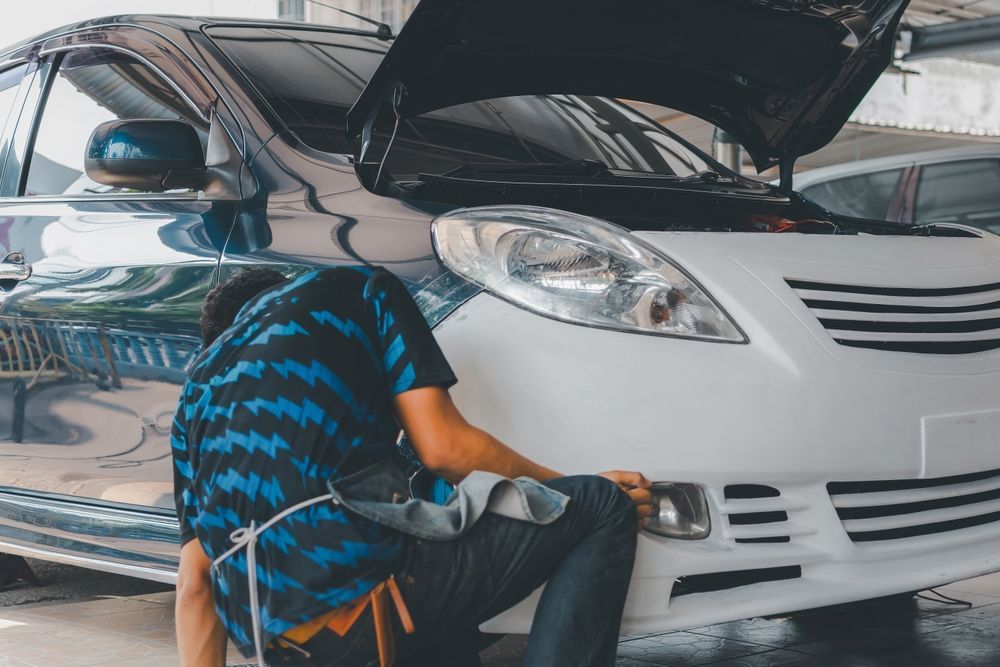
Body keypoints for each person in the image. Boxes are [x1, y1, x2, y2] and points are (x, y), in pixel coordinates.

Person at [173, 265, 652, 667]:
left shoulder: (194, 394)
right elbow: (447, 451)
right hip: (365, 596)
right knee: (602, 506)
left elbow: (195, 585)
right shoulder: (354, 290)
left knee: (444, 627)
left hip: (279, 645)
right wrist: (570, 487)